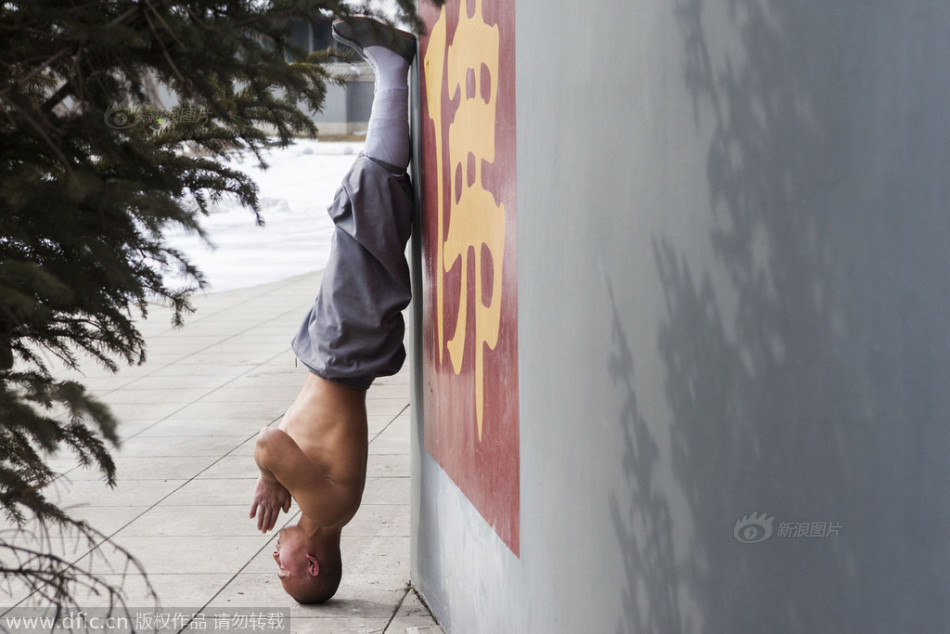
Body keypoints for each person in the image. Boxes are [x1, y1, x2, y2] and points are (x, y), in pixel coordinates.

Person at [248, 16, 416, 604]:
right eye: (285, 568)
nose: (276, 557)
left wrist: (278, 475)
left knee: (364, 211)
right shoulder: (328, 507)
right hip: (346, 347)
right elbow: (269, 442)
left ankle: (391, 73)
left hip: (339, 347)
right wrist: (270, 480)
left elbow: (285, 437)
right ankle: (394, 70)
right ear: (312, 567)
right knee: (369, 199)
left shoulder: (326, 504)